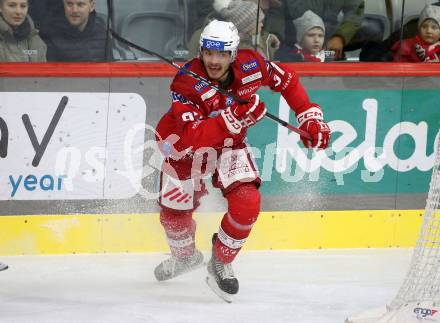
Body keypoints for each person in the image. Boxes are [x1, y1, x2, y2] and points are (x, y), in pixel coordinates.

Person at [154, 20, 331, 302]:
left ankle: (221, 260)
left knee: (248, 202)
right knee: (174, 216)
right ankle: (184, 257)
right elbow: (190, 138)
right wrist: (234, 118)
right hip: (183, 150)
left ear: (233, 54)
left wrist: (308, 115)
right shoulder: (187, 81)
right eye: (208, 53)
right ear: (201, 51)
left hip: (228, 145)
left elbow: (287, 80)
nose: (214, 61)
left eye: (222, 54)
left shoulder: (252, 66)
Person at [265, 0, 365, 60]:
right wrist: (274, 39)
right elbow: (276, 11)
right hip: (291, 46)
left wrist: (340, 37)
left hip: (330, 46)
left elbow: (355, 11)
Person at [188, 0, 280, 60]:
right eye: (258, 21)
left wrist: (269, 42)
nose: (262, 24)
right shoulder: (213, 40)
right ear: (246, 25)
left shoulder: (255, 38)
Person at [41, 0, 109, 61]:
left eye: (80, 4)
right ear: (63, 4)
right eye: (69, 4)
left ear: (91, 6)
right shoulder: (49, 35)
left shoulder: (104, 37)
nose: (74, 10)